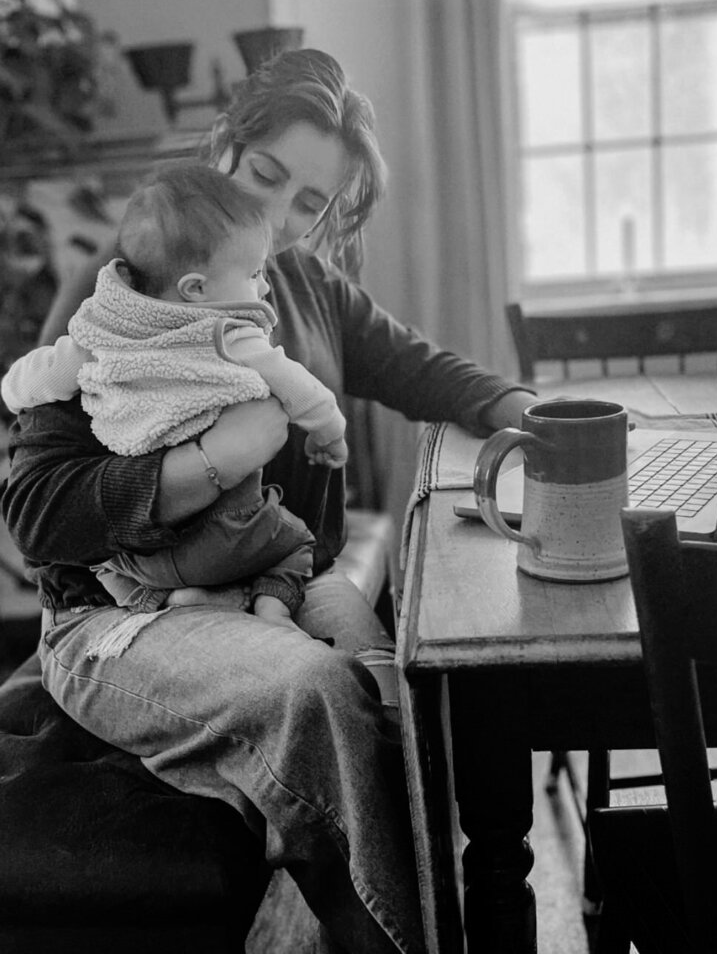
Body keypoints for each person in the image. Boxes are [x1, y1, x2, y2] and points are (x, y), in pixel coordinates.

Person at [1, 48, 536, 954]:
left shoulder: (305, 284)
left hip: (277, 577)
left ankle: (446, 915)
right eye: (265, 176)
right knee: (318, 691)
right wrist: (208, 464)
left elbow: (420, 368)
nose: (278, 217)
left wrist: (525, 410)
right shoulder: (124, 287)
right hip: (120, 618)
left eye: (310, 204)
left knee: (414, 681)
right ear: (223, 146)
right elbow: (40, 516)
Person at [2, 163, 347, 633]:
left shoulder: (98, 333)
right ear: (196, 289)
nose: (263, 286)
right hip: (232, 528)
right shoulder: (230, 334)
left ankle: (165, 598)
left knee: (107, 566)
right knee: (296, 546)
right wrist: (329, 433)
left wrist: (12, 392)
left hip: (147, 556)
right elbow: (305, 392)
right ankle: (273, 607)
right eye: (253, 273)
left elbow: (30, 380)